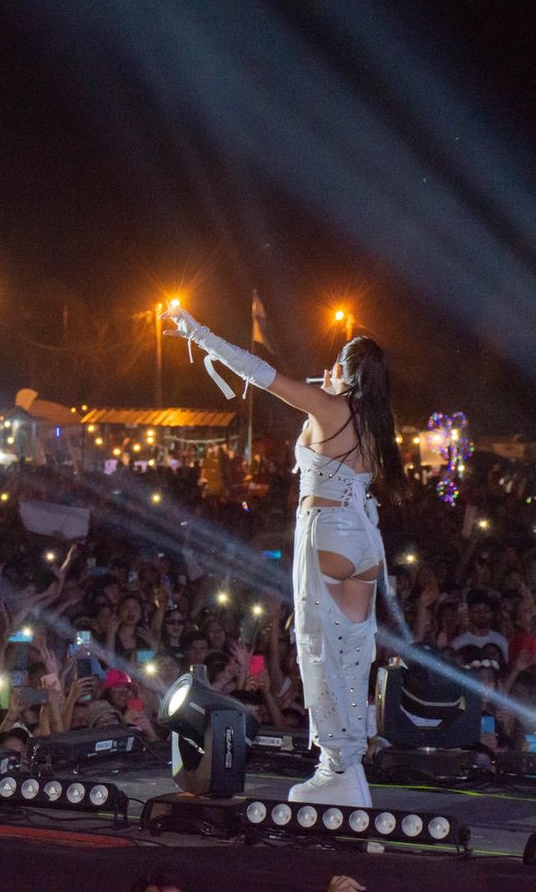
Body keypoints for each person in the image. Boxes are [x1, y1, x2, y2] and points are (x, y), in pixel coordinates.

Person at [166, 308, 404, 807]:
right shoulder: (378, 425)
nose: (330, 367)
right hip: (363, 543)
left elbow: (257, 372)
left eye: (338, 362)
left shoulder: (327, 408)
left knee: (318, 651)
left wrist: (197, 331)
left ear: (349, 370)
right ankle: (345, 766)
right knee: (353, 654)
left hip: (328, 534)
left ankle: (337, 770)